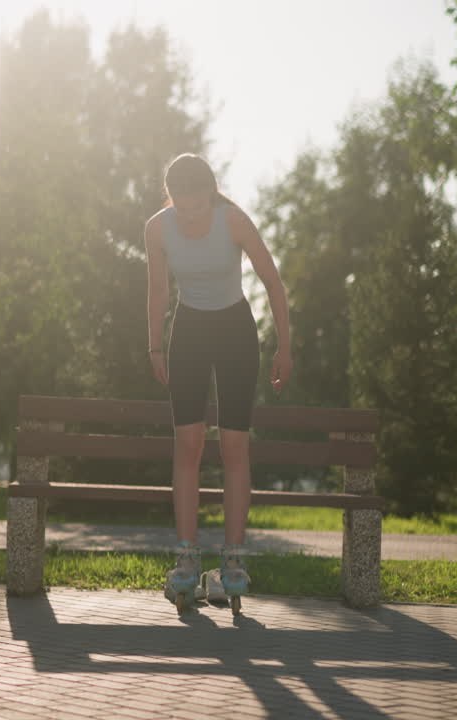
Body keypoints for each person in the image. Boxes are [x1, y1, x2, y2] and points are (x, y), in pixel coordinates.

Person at [144, 153, 292, 612]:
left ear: (210, 193)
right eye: (182, 208)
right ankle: (187, 558)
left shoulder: (233, 221)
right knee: (187, 445)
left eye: (197, 207)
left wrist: (284, 346)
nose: (189, 216)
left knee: (233, 447)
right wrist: (153, 346)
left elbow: (272, 281)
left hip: (234, 332)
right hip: (187, 332)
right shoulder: (157, 228)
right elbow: (158, 290)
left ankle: (232, 562)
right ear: (171, 199)